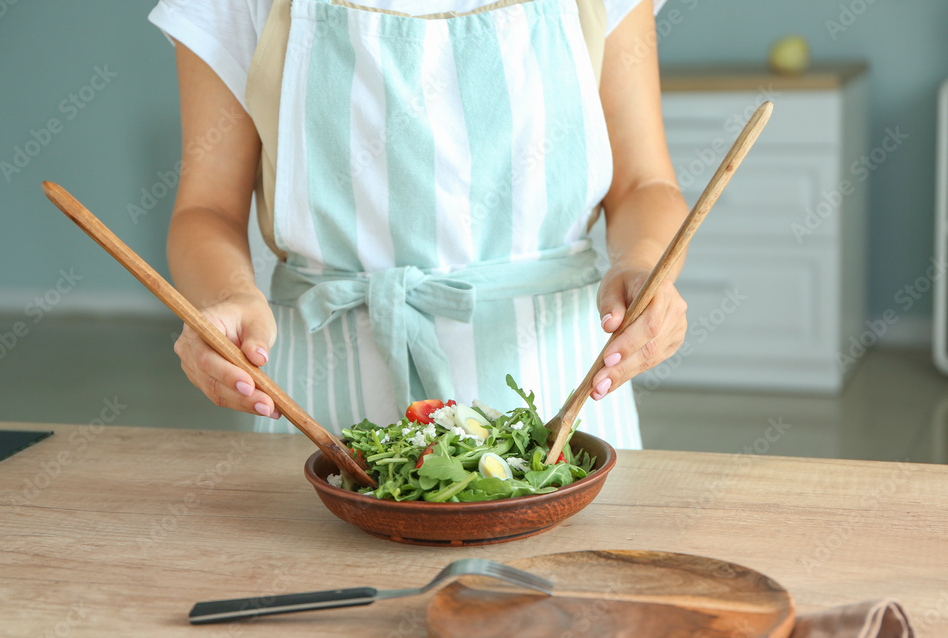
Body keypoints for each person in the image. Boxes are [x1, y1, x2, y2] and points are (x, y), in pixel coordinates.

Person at [149, 0, 689, 449]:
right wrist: (228, 296)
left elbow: (644, 185)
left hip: (560, 383)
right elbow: (207, 209)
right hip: (324, 394)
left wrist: (644, 263)